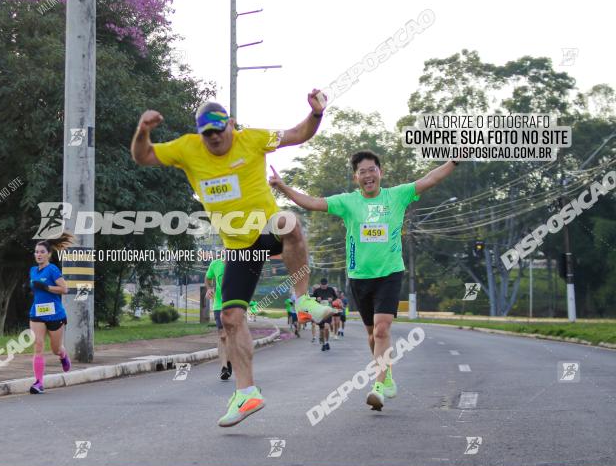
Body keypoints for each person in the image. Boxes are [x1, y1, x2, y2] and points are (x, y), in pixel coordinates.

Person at [131, 89, 334, 428]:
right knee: (230, 318)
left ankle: (302, 300)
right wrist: (143, 130)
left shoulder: (252, 139)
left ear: (231, 126)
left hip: (268, 228)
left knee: (292, 224)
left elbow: (299, 134)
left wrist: (315, 114)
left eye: (219, 131)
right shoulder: (187, 148)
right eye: (207, 134)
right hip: (239, 245)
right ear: (200, 135)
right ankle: (246, 393)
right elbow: (143, 156)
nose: (214, 139)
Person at [270, 150, 457, 411]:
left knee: (382, 330)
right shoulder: (348, 202)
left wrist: (454, 161)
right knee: (372, 335)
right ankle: (387, 374)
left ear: (380, 172)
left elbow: (430, 179)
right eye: (362, 172)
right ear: (356, 177)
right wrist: (283, 187)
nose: (368, 175)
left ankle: (378, 386)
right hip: (360, 277)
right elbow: (311, 202)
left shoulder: (397, 195)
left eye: (372, 169)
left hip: (390, 273)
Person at [28, 235, 75, 394]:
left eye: (42, 252)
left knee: (55, 349)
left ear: (48, 254)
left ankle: (63, 355)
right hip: (37, 313)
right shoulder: (33, 270)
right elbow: (36, 289)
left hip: (55, 314)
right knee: (38, 345)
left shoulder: (53, 269)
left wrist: (47, 287)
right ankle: (39, 383)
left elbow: (64, 289)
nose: (38, 255)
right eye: (36, 252)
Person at [205, 258, 232, 380]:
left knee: (231, 336)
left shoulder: (239, 262)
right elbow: (207, 278)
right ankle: (224, 367)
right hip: (218, 305)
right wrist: (209, 288)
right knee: (222, 335)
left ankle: (229, 359)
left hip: (234, 304)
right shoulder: (215, 264)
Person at [312, 278, 339, 350]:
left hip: (328, 311)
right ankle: (323, 344)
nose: (324, 286)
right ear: (320, 284)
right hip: (320, 312)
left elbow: (336, 297)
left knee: (326, 327)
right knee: (321, 330)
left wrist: (332, 299)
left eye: (325, 285)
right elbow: (312, 299)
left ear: (327, 284)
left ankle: (327, 342)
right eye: (322, 285)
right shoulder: (317, 291)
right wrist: (317, 299)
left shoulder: (331, 289)